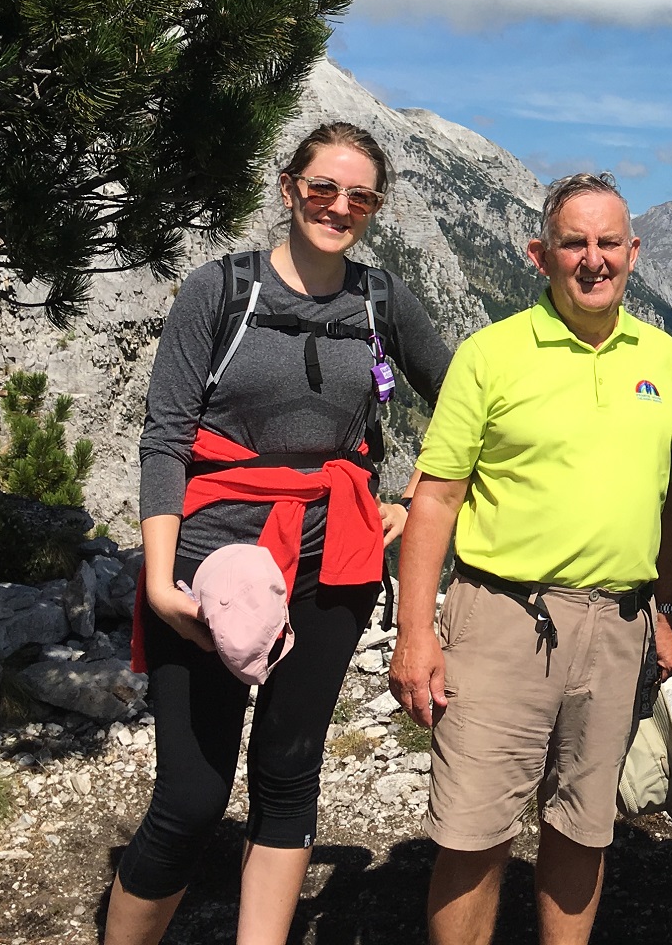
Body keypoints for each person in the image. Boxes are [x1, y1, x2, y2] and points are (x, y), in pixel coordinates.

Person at [103, 122, 452, 945]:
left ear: (374, 207)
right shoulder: (219, 290)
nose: (339, 207)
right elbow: (166, 437)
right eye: (323, 188)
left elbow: (464, 402)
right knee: (189, 799)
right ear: (288, 187)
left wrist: (409, 496)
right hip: (209, 560)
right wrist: (158, 583)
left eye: (359, 196)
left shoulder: (381, 300)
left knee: (290, 773)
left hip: (336, 559)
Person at [388, 171, 672, 945]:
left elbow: (670, 499)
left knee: (585, 828)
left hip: (620, 622)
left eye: (609, 243)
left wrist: (667, 605)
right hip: (501, 617)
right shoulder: (491, 354)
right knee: (472, 829)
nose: (594, 259)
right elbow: (437, 499)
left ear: (634, 251)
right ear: (539, 254)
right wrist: (416, 633)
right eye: (574, 243)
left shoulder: (664, 356)